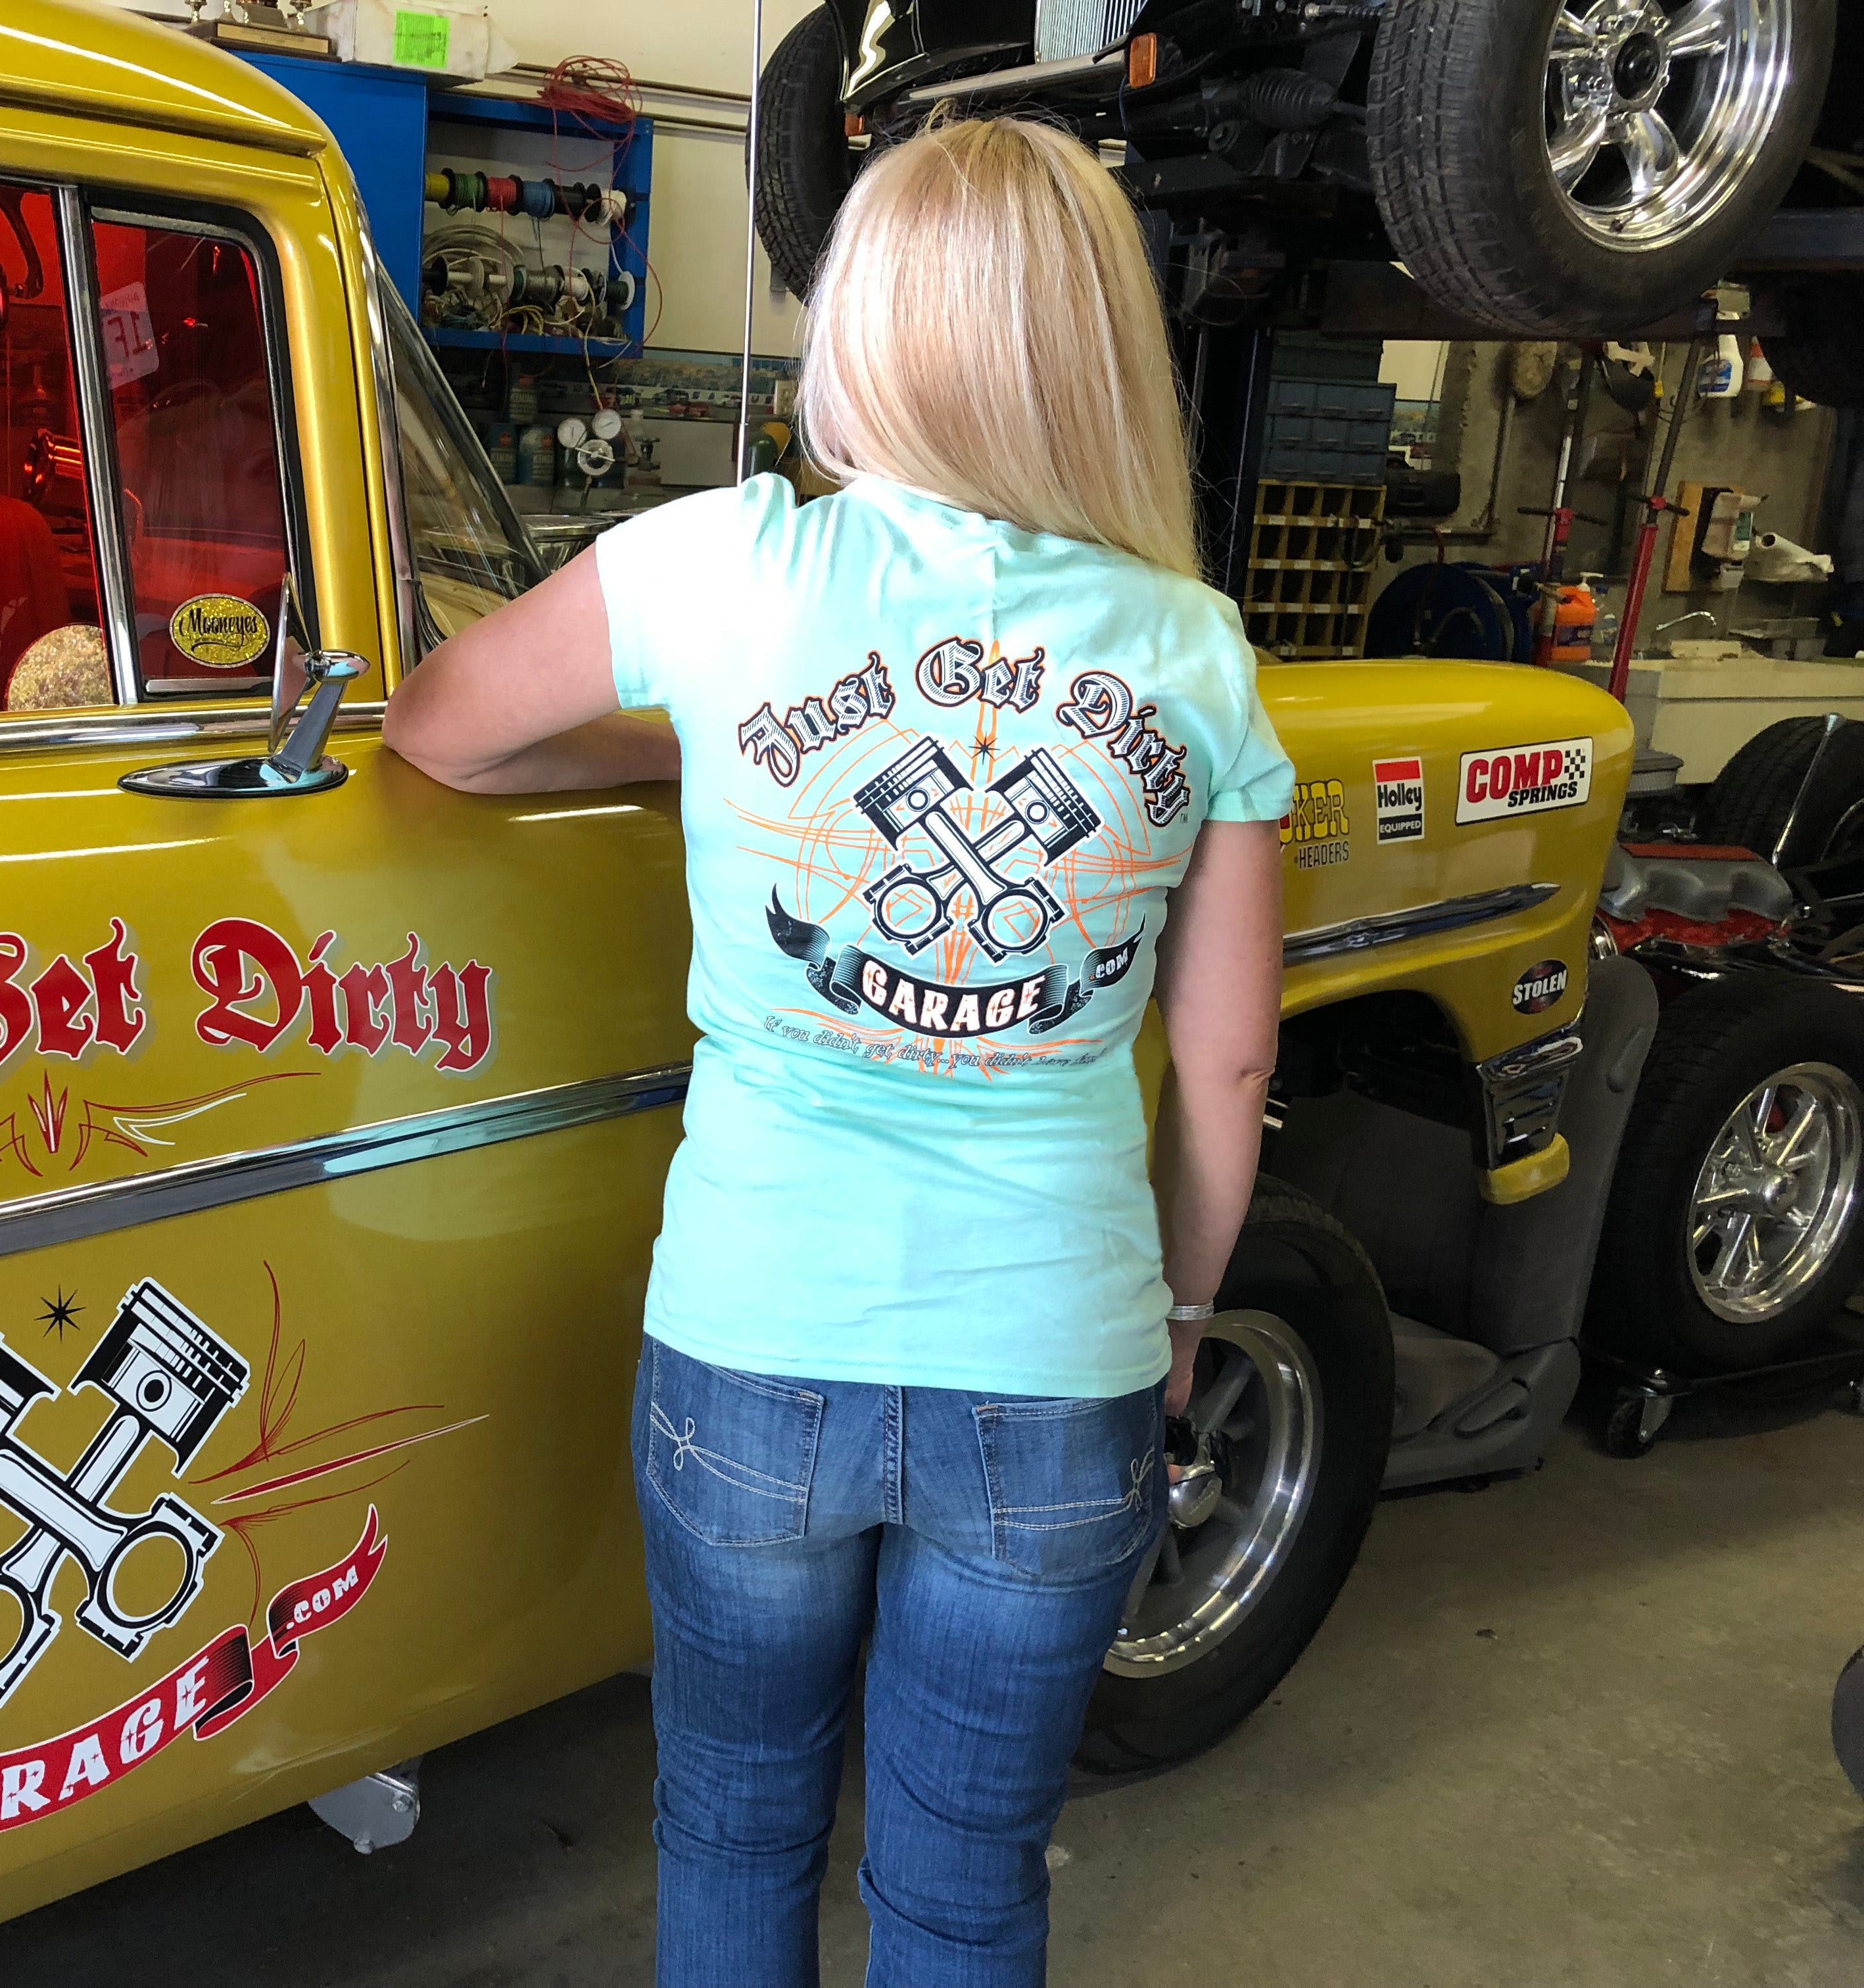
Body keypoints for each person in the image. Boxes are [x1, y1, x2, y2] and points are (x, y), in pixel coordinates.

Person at [383, 112, 1291, 1988]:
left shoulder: (729, 572)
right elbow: (1223, 1069)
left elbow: (439, 731)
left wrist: (709, 738)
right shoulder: (1197, 651)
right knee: (965, 1887)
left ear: (863, 322)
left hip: (755, 1343)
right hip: (1060, 1362)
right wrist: (1182, 1323)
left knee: (731, 1827)